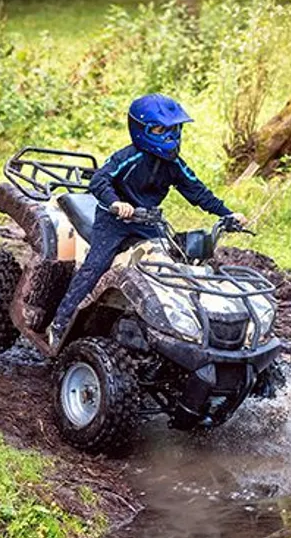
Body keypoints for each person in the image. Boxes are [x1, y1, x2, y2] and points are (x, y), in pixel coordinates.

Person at [47, 93, 247, 348]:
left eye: (175, 129)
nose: (170, 137)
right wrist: (116, 203)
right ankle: (60, 322)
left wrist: (226, 214)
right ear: (141, 129)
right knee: (94, 267)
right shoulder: (129, 157)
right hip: (114, 220)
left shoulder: (174, 164)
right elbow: (99, 180)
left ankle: (183, 328)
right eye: (160, 129)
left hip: (148, 221)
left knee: (173, 265)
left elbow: (198, 192)